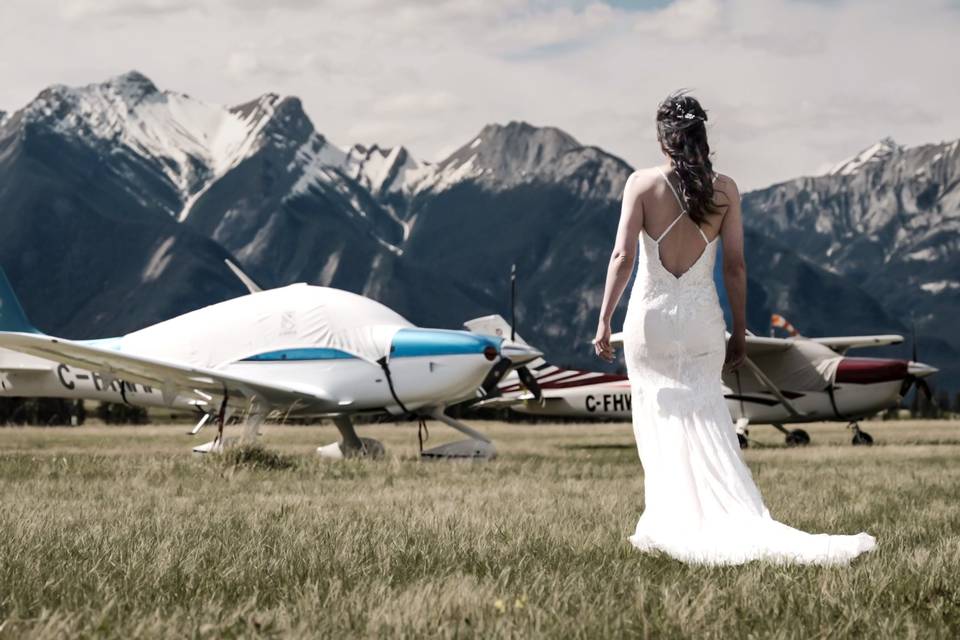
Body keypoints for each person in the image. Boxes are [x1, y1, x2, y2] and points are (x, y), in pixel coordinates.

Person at [593, 91, 876, 565]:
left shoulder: (641, 185)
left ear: (663, 140)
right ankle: (721, 514)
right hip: (703, 322)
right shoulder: (726, 191)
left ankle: (670, 519)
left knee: (659, 416)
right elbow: (737, 268)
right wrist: (741, 333)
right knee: (707, 415)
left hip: (651, 320)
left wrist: (603, 318)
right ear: (702, 136)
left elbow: (622, 257)